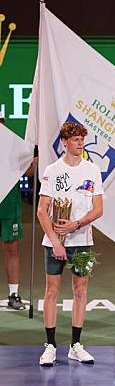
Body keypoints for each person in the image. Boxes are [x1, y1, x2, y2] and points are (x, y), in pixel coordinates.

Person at [37, 121, 103, 366]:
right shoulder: (52, 171)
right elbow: (42, 212)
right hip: (55, 243)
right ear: (64, 142)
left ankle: (76, 345)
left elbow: (98, 209)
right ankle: (50, 346)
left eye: (82, 139)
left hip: (83, 241)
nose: (80, 143)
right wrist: (56, 242)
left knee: (80, 291)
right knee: (51, 291)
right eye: (75, 140)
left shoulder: (92, 170)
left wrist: (75, 225)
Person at [0, 112, 34, 310]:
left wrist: (33, 161)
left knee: (12, 249)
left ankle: (14, 294)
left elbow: (27, 171)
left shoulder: (14, 145)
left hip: (10, 205)